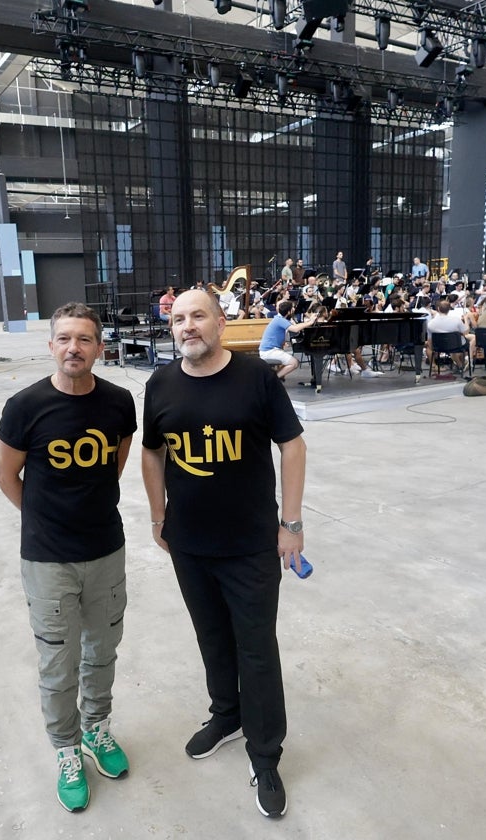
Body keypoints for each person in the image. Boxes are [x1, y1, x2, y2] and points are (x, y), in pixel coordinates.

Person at [141, 289, 307, 820]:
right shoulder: (160, 384)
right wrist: (157, 514)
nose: (188, 326)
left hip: (251, 543)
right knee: (212, 636)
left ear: (220, 322)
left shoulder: (255, 376)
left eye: (199, 316)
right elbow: (151, 451)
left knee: (256, 648)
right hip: (189, 544)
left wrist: (292, 524)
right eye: (179, 318)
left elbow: (293, 445)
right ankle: (227, 715)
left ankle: (265, 754)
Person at [0, 302, 137, 814]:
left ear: (100, 347)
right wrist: (45, 518)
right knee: (59, 663)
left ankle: (96, 729)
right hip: (48, 559)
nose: (73, 347)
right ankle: (66, 748)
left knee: (103, 649)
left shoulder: (120, 403)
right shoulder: (24, 406)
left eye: (84, 339)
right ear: (50, 346)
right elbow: (7, 477)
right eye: (64, 339)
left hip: (106, 550)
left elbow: (115, 463)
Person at [259, 299, 320, 381]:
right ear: (288, 312)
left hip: (271, 350)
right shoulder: (280, 320)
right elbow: (295, 329)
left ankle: (274, 377)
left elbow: (297, 326)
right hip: (269, 352)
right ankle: (272, 380)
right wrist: (310, 322)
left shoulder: (280, 319)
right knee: (295, 363)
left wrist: (310, 320)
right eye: (293, 308)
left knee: (291, 361)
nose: (294, 310)